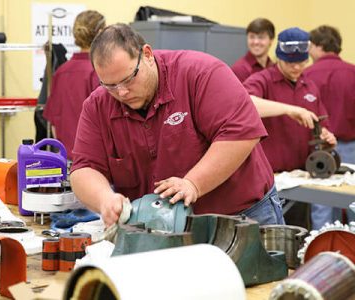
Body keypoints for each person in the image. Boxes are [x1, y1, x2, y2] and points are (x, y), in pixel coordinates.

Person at [69, 23, 292, 228]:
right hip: (163, 226)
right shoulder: (98, 105)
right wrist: (105, 200)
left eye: (128, 79)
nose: (121, 92)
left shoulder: (201, 73)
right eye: (110, 85)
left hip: (242, 216)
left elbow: (241, 134)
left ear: (147, 54)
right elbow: (83, 168)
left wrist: (194, 183)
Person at [243, 27, 337, 229]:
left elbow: (321, 125)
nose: (297, 68)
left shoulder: (309, 86)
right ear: (278, 57)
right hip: (269, 184)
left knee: (299, 233)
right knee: (273, 238)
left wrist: (326, 135)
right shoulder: (263, 80)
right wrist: (289, 110)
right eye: (290, 63)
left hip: (301, 178)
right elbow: (245, 103)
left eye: (302, 62)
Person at [304, 25, 355, 226]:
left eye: (310, 46)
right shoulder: (352, 73)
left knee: (321, 206)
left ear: (320, 46)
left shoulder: (306, 76)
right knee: (352, 203)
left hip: (319, 149)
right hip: (352, 148)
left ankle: (321, 252)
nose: (308, 51)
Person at [43, 10, 106, 160]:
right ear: (101, 33)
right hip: (96, 162)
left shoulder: (61, 72)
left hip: (67, 160)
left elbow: (54, 124)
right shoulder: (100, 71)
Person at [230, 18, 275, 83]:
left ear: (271, 40)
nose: (256, 42)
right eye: (252, 37)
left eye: (261, 37)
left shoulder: (273, 67)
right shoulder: (239, 69)